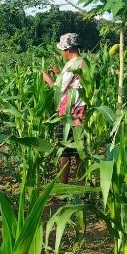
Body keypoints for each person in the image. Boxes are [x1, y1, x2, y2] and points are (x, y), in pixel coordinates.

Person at [42, 33, 86, 184]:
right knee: (78, 150)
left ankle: (63, 187)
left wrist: (47, 78)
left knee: (65, 151)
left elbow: (59, 89)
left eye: (62, 49)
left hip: (69, 111)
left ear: (68, 49)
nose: (62, 53)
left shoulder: (73, 64)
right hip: (80, 109)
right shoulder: (82, 62)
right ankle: (81, 186)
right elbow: (74, 83)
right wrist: (60, 73)